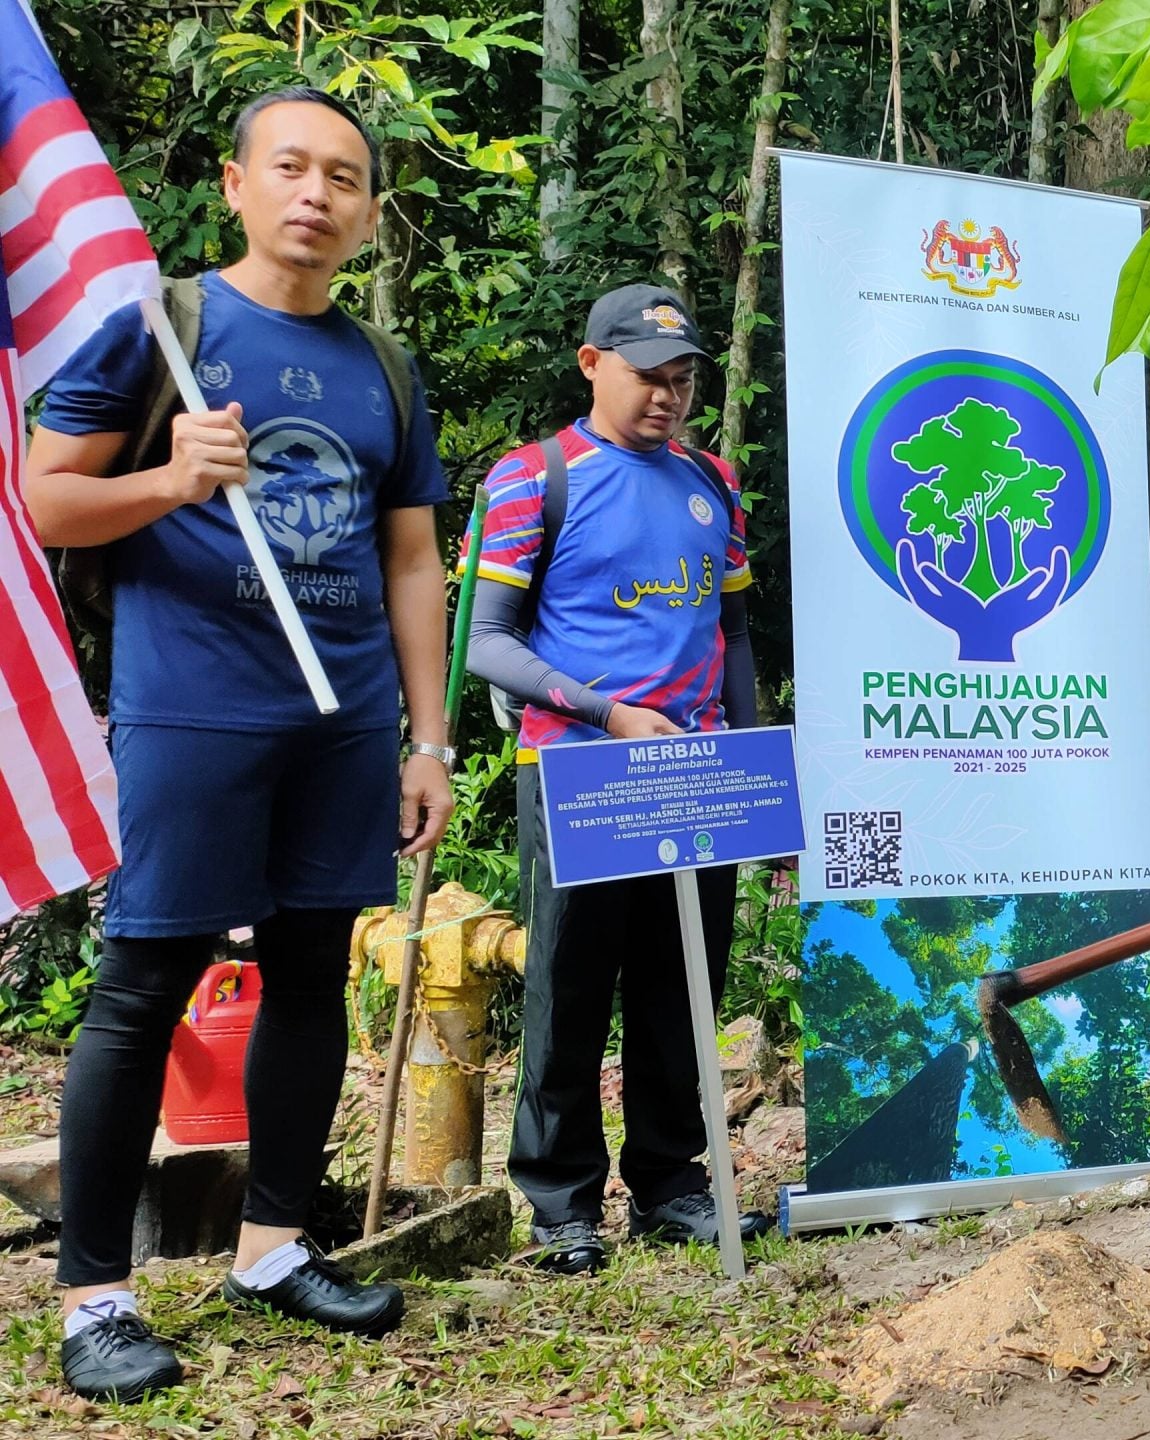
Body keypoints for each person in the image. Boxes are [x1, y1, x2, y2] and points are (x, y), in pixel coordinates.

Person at [25, 88, 452, 1402]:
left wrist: (427, 737)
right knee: (145, 985)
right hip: (196, 709)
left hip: (345, 720)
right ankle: (97, 1297)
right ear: (234, 182)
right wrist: (169, 478)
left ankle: (273, 1244)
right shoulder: (162, 327)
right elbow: (49, 500)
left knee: (317, 971)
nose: (316, 193)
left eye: (343, 177)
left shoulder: (381, 368)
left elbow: (415, 556)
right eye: (291, 168)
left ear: (371, 213)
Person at [467, 284, 774, 1275]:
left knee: (682, 984)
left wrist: (753, 756)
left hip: (695, 769)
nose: (667, 399)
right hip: (579, 773)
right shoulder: (532, 479)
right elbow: (484, 643)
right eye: (649, 377)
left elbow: (729, 633)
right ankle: (560, 1204)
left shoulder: (712, 483)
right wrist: (602, 709)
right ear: (593, 363)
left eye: (682, 381)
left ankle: (671, 1186)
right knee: (569, 986)